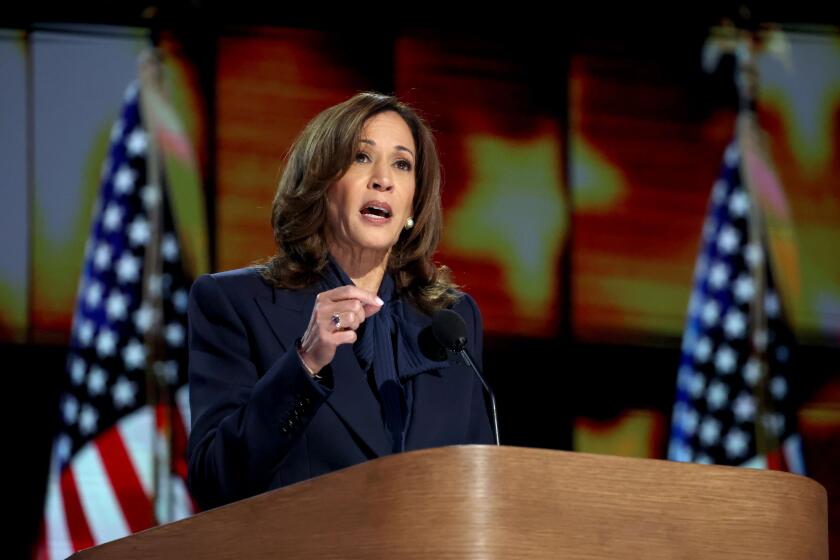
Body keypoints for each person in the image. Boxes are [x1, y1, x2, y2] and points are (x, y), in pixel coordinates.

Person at [186, 91, 494, 511]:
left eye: (402, 164)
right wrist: (306, 363)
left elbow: (477, 489)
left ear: (412, 204)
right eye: (361, 158)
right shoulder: (236, 304)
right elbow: (215, 480)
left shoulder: (451, 322)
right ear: (320, 184)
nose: (383, 179)